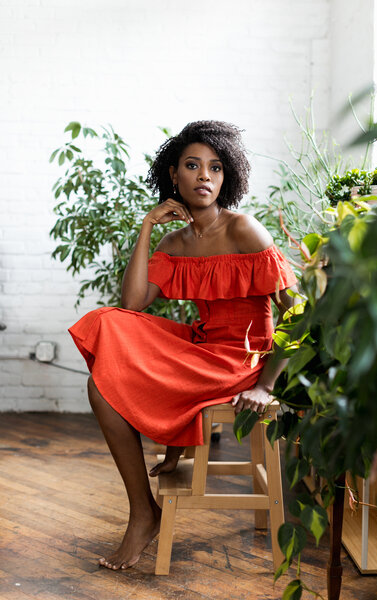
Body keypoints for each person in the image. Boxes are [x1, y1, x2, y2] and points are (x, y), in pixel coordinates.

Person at [69, 120, 298, 571]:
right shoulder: (175, 242)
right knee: (105, 347)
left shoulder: (245, 230)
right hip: (202, 347)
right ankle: (144, 511)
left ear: (227, 176)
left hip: (244, 359)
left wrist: (267, 386)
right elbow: (133, 303)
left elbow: (297, 315)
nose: (204, 176)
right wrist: (148, 225)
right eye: (192, 166)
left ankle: (143, 515)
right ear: (174, 175)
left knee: (105, 376)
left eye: (215, 167)